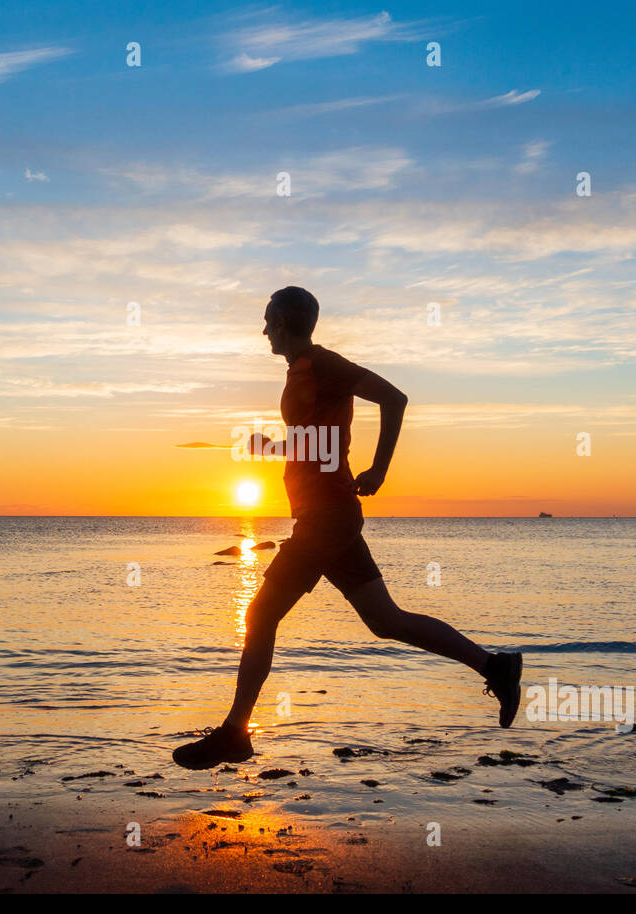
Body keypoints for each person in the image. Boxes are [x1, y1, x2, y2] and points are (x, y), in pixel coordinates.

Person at [173, 286, 522, 769]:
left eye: (267, 319)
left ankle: (235, 732)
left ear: (283, 320)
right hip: (324, 516)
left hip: (326, 519)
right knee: (386, 621)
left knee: (260, 615)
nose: (262, 329)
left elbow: (394, 399)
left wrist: (379, 469)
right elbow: (320, 443)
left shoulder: (323, 364)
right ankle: (494, 665)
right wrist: (275, 449)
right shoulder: (300, 371)